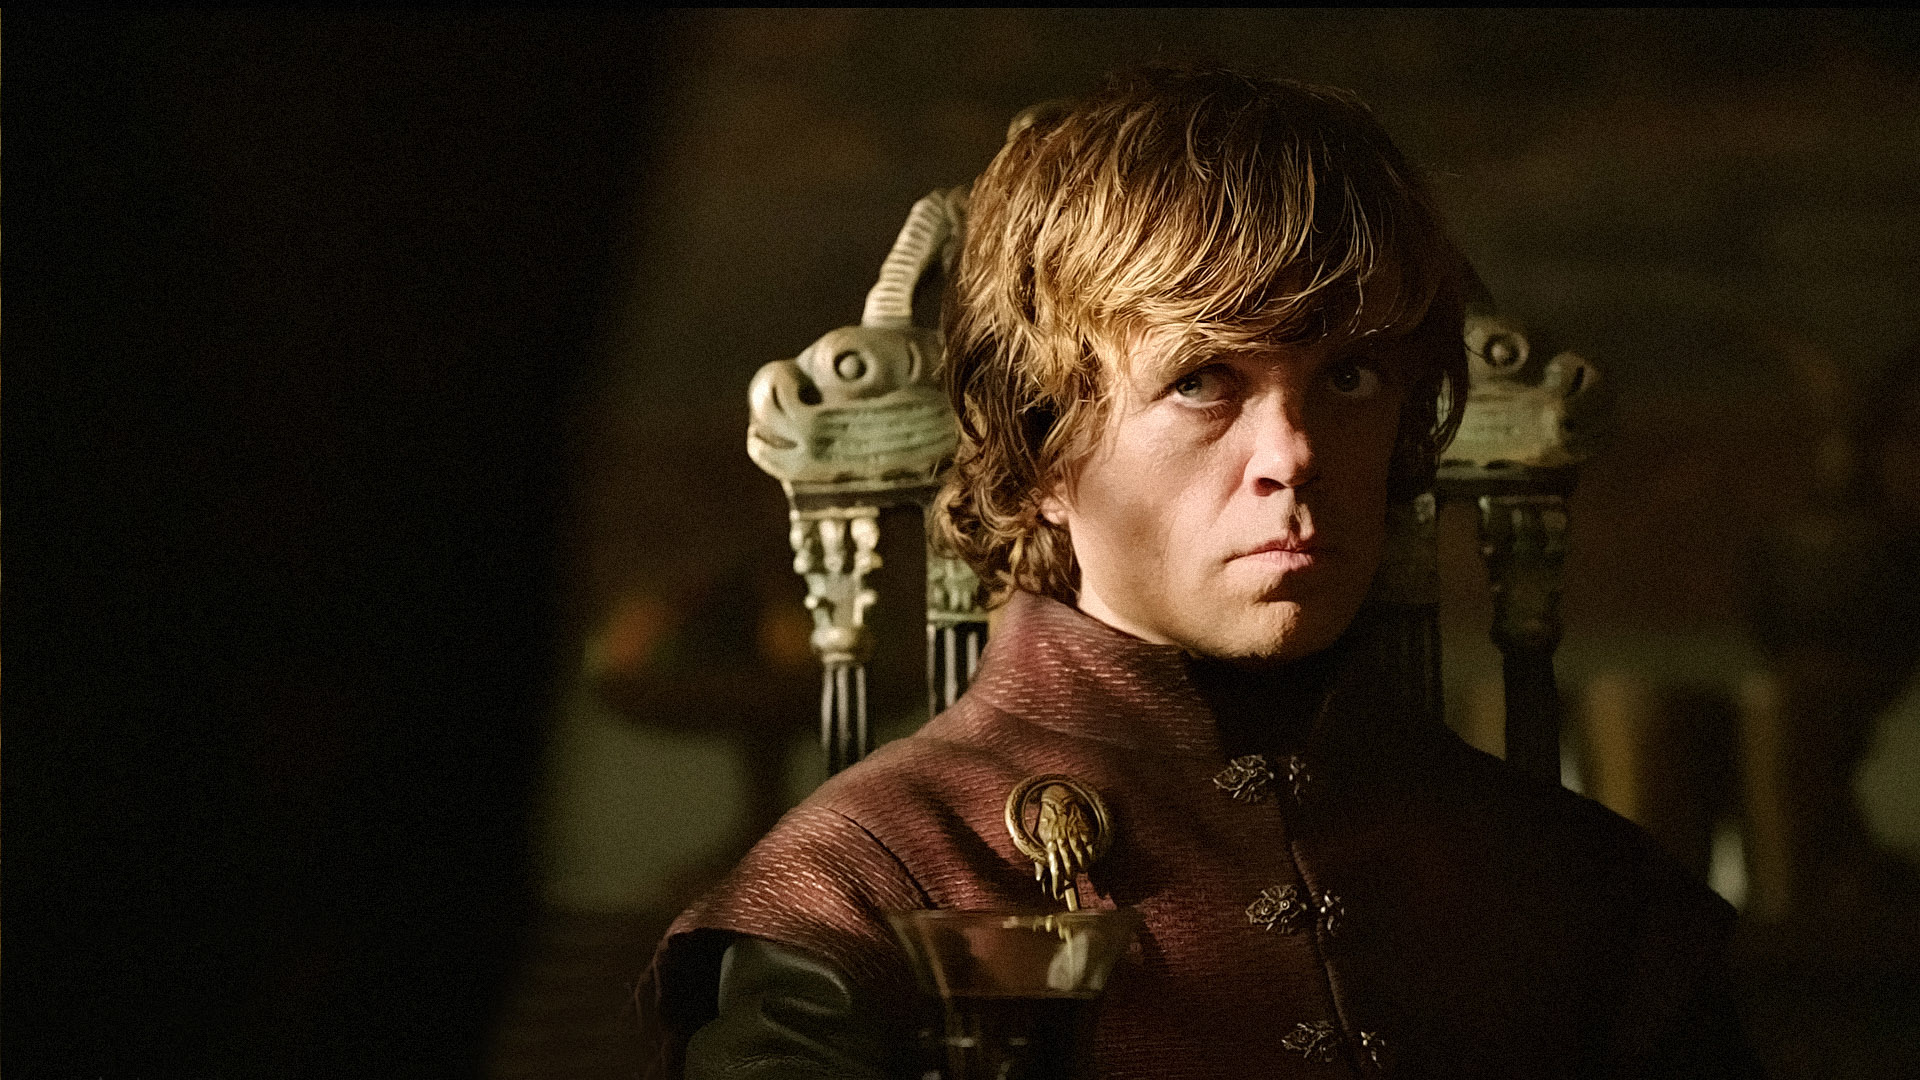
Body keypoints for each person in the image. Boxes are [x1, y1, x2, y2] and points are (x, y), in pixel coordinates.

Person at [643, 65, 1757, 1079]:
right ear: (1040, 444)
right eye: (1202, 381)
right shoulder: (857, 892)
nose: (1294, 455)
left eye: (1351, 376)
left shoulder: (1589, 894)